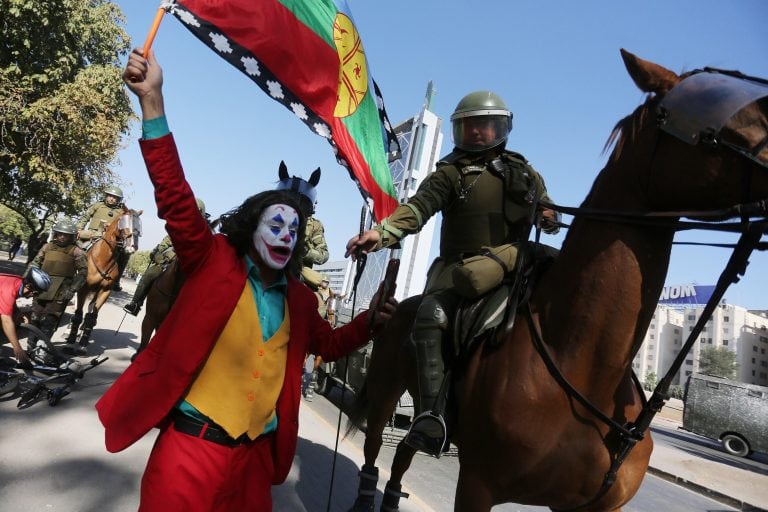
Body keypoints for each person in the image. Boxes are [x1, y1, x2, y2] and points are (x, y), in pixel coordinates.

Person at [96, 48, 397, 511]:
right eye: (275, 225)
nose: (285, 235)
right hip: (189, 452)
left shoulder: (300, 298)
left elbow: (330, 345)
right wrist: (153, 104)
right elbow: (175, 198)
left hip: (254, 464)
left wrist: (371, 322)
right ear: (253, 224)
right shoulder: (213, 258)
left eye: (292, 232)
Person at [346, 90, 561, 456]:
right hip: (460, 272)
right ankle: (431, 416)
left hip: (518, 268)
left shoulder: (525, 172)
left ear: (501, 128)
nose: (478, 133)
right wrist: (381, 234)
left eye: (486, 126)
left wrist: (549, 216)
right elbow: (416, 209)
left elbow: (548, 209)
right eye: (471, 126)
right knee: (431, 315)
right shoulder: (451, 172)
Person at [123, 198, 207, 316]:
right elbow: (166, 243)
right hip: (168, 262)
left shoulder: (203, 232)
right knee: (148, 275)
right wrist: (159, 253)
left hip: (188, 266)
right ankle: (135, 303)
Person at [26, 218, 87, 345]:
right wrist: (27, 281)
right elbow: (35, 264)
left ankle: (43, 349)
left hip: (61, 291)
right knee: (34, 319)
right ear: (56, 233)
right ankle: (30, 347)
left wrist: (72, 290)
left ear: (71, 236)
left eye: (66, 235)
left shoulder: (77, 252)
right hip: (41, 288)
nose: (62, 237)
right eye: (60, 233)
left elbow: (83, 273)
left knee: (50, 321)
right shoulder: (47, 247)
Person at [275, 164, 330, 286]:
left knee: (317, 303)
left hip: (297, 276)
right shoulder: (269, 216)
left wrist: (304, 251)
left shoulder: (314, 225)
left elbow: (323, 255)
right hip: (266, 267)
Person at [76, 184, 129, 291]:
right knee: (76, 247)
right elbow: (85, 217)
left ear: (118, 200)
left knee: (125, 254)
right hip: (92, 234)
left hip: (110, 238)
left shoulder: (120, 212)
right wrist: (79, 228)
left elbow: (124, 227)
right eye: (110, 196)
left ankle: (116, 281)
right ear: (106, 196)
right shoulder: (97, 205)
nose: (112, 199)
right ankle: (72, 273)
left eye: (115, 197)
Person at [0, 268, 52, 366]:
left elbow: (6, 302)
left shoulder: (18, 283)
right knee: (6, 321)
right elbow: (6, 321)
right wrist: (17, 348)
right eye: (36, 293)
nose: (35, 296)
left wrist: (19, 312)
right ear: (28, 286)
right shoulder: (9, 289)